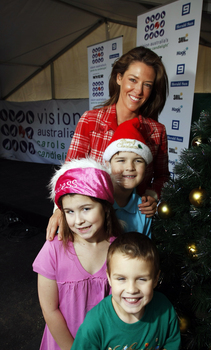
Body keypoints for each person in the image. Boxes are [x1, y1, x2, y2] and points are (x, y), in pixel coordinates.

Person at [46, 46, 170, 240]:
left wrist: (153, 194)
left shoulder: (156, 131)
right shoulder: (91, 120)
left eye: (147, 84)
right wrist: (59, 210)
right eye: (133, 80)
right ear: (119, 78)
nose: (138, 90)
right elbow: (68, 173)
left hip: (134, 226)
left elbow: (163, 176)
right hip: (92, 226)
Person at [32, 158, 123, 350]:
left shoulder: (119, 249)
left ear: (106, 207)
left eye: (86, 209)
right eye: (69, 211)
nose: (78, 220)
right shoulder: (53, 250)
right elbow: (49, 309)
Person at [71, 232, 181, 350]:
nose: (131, 290)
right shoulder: (95, 324)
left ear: (155, 279)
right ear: (109, 278)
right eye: (121, 279)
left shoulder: (165, 310)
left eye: (142, 279)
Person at [103, 117, 154, 237]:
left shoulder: (144, 209)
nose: (130, 167)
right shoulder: (96, 202)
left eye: (138, 161)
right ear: (108, 164)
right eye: (121, 160)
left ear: (146, 166)